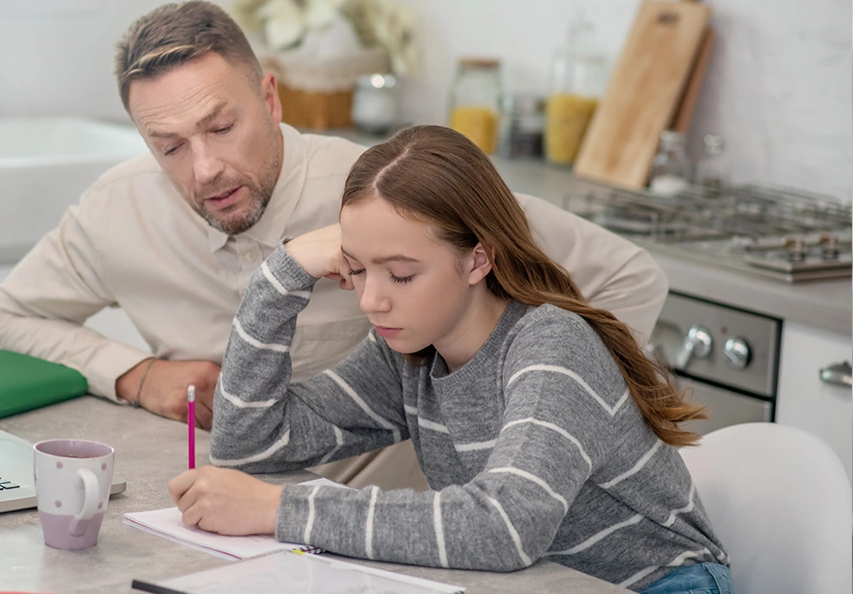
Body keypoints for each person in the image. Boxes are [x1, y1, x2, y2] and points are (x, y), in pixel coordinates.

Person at [0, 0, 669, 491]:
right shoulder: (117, 210)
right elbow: (5, 318)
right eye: (169, 146)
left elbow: (629, 279)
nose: (204, 169)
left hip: (407, 524)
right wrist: (135, 373)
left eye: (221, 127)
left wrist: (526, 438)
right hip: (229, 509)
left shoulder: (386, 193)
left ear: (271, 99)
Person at [168, 125, 731, 593]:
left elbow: (504, 526)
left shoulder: (553, 347)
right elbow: (250, 445)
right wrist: (281, 276)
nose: (371, 300)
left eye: (403, 273)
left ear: (478, 259)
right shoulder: (410, 352)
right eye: (358, 269)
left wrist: (278, 509)